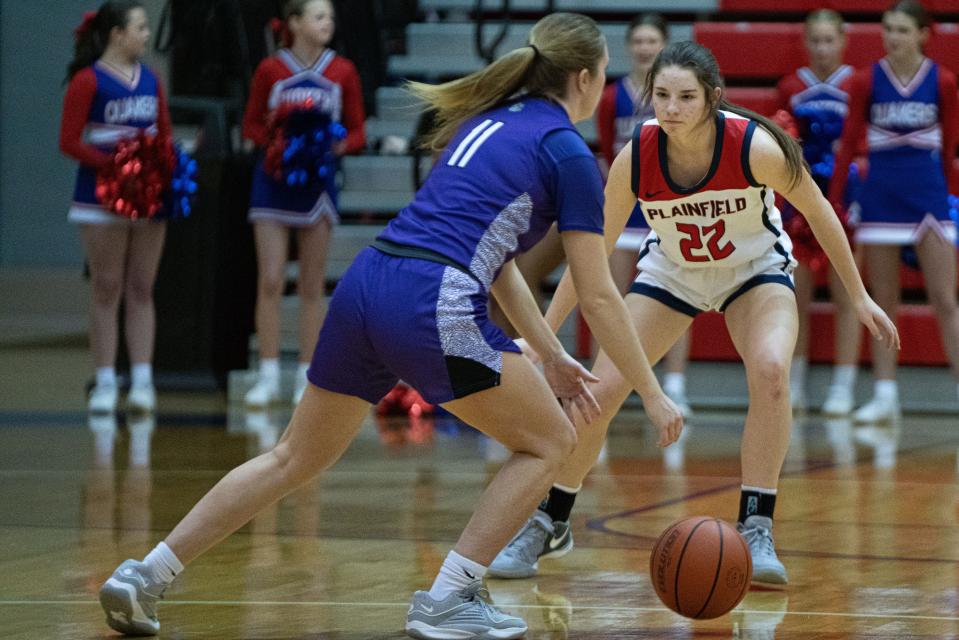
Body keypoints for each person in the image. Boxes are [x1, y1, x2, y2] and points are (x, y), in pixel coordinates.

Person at [97, 13, 684, 639]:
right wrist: (650, 391)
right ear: (588, 78)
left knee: (293, 455)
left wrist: (548, 351)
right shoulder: (567, 149)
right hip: (432, 297)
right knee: (551, 441)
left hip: (369, 281)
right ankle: (450, 596)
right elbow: (597, 291)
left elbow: (500, 259)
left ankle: (147, 573)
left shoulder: (488, 120)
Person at [489, 40, 899, 588]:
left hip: (752, 272)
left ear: (712, 98)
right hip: (673, 275)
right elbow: (589, 256)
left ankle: (756, 524)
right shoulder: (636, 158)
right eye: (661, 95)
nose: (671, 108)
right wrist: (545, 337)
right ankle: (551, 519)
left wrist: (859, 295)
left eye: (685, 97)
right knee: (596, 392)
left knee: (773, 370)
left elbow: (819, 211)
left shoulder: (753, 146)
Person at [830, 0, 959, 422]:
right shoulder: (867, 80)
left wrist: (945, 197)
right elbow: (849, 144)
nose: (893, 37)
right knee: (883, 301)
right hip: (881, 196)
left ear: (924, 33)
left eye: (903, 30)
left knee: (945, 298)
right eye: (888, 29)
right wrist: (835, 202)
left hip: (928, 197)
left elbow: (950, 147)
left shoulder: (943, 81)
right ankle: (885, 395)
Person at [241, 0, 366, 407]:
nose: (327, 22)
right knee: (271, 280)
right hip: (273, 184)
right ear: (293, 23)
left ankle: (305, 376)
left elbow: (358, 129)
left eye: (330, 16)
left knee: (311, 285)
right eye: (318, 16)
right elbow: (251, 124)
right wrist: (280, 146)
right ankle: (267, 373)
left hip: (318, 185)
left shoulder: (342, 71)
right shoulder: (270, 70)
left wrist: (333, 145)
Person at [59, 1, 171, 414]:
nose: (146, 35)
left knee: (142, 288)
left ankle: (143, 381)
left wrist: (158, 170)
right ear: (116, 34)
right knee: (107, 288)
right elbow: (69, 141)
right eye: (140, 28)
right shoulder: (88, 81)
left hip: (149, 198)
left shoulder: (152, 80)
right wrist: (116, 167)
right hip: (100, 197)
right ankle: (105, 381)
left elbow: (164, 137)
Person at [596, 13, 693, 415]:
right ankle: (609, 385)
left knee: (676, 299)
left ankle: (675, 385)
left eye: (652, 40)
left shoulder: (678, 95)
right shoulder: (610, 97)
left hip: (667, 209)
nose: (644, 48)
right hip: (627, 209)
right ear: (628, 46)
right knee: (614, 302)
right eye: (638, 41)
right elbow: (607, 152)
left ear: (665, 45)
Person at [776, 9, 863, 415]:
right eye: (816, 40)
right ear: (805, 42)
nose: (823, 48)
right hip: (802, 200)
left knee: (849, 292)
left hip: (848, 198)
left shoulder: (858, 84)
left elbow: (863, 144)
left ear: (843, 40)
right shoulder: (790, 87)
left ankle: (844, 386)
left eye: (830, 40)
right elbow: (780, 148)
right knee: (797, 295)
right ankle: (794, 383)